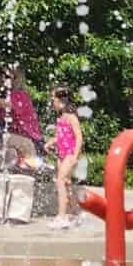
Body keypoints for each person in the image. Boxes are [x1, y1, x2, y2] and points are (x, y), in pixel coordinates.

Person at [51, 88, 85, 226]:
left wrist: (75, 156)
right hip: (61, 154)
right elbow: (59, 135)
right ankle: (76, 214)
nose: (52, 102)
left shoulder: (72, 117)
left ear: (61, 101)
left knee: (60, 181)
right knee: (67, 184)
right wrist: (51, 142)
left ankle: (61, 216)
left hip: (70, 154)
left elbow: (79, 137)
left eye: (53, 99)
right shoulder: (60, 117)